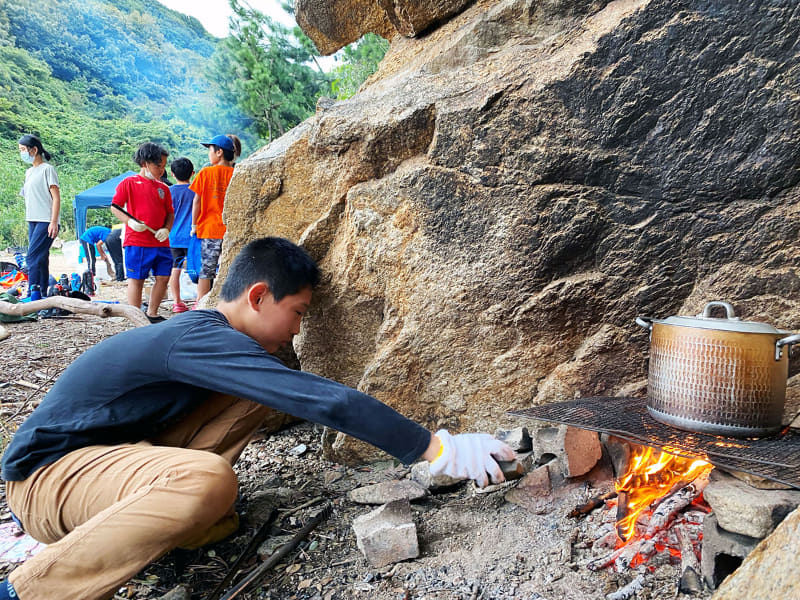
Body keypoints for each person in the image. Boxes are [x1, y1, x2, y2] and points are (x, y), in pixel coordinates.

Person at [0, 237, 514, 600]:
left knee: (259, 394)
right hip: (47, 480)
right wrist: (437, 448)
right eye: (298, 312)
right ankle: (25, 591)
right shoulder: (195, 337)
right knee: (207, 480)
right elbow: (330, 402)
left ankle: (182, 517)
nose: (297, 330)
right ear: (258, 296)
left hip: (111, 460)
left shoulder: (215, 338)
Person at [110, 142, 174, 323]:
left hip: (160, 242)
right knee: (136, 280)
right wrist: (130, 222)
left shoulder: (164, 188)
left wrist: (166, 229)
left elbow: (170, 213)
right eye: (158, 166)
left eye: (163, 166)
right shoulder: (129, 183)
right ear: (145, 163)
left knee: (163, 277)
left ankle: (152, 313)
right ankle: (136, 317)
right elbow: (115, 207)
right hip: (137, 241)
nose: (161, 170)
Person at [190, 134, 236, 304]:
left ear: (219, 152)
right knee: (229, 270)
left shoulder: (205, 172)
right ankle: (227, 305)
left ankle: (201, 304)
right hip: (231, 231)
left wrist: (194, 225)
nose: (209, 154)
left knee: (206, 271)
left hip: (209, 230)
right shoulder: (236, 174)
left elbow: (197, 201)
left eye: (210, 150)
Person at [17, 134, 60, 298]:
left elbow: (56, 197)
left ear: (34, 150)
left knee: (32, 258)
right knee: (41, 258)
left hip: (46, 220)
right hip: (33, 220)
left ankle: (32, 293)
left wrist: (53, 222)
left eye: (23, 149)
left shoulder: (47, 169)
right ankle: (42, 294)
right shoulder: (29, 172)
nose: (21, 153)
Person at [167, 157, 195, 313]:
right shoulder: (197, 190)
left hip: (174, 237)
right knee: (197, 269)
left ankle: (177, 302)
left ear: (172, 174)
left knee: (175, 270)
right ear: (192, 173)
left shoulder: (168, 192)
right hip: (193, 237)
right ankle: (199, 301)